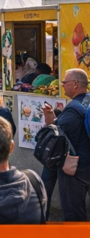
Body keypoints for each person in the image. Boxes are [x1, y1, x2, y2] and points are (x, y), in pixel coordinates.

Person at [42, 68, 90, 221]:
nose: (62, 85)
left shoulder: (73, 109)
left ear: (75, 84)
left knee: (73, 215)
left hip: (75, 170)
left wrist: (50, 124)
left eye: (64, 82)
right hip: (87, 164)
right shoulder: (87, 102)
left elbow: (55, 134)